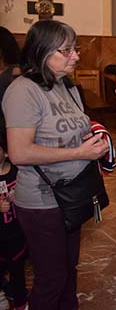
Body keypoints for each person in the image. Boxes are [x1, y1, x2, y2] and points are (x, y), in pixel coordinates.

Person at [2, 19, 109, 309]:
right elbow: (20, 153)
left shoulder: (67, 87)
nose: (75, 55)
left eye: (75, 49)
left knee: (67, 275)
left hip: (72, 196)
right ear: (42, 52)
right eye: (67, 50)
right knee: (51, 279)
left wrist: (94, 141)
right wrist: (80, 153)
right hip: (41, 199)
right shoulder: (23, 91)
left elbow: (74, 131)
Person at [0, 126, 28, 310]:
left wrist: (18, 196)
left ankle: (20, 302)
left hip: (17, 231)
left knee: (18, 270)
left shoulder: (18, 171)